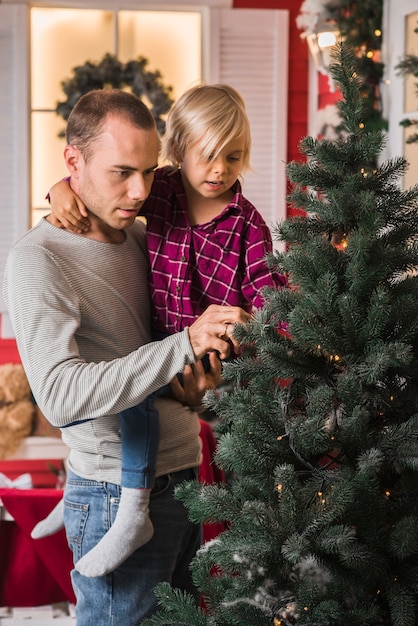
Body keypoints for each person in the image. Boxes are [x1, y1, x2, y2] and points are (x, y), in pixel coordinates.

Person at [2, 88, 251, 625]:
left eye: (147, 170)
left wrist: (202, 382)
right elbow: (63, 397)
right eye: (120, 173)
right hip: (115, 497)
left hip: (188, 478)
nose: (139, 191)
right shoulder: (36, 260)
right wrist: (183, 346)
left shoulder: (143, 235)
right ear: (73, 161)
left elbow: (158, 347)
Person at [44, 83, 287, 578]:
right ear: (179, 152)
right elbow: (102, 189)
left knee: (165, 413)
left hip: (212, 354)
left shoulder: (246, 225)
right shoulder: (164, 191)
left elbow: (271, 300)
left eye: (233, 157)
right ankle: (91, 499)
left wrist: (255, 325)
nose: (219, 170)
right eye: (208, 157)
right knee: (124, 380)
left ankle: (131, 511)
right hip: (162, 340)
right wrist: (59, 188)